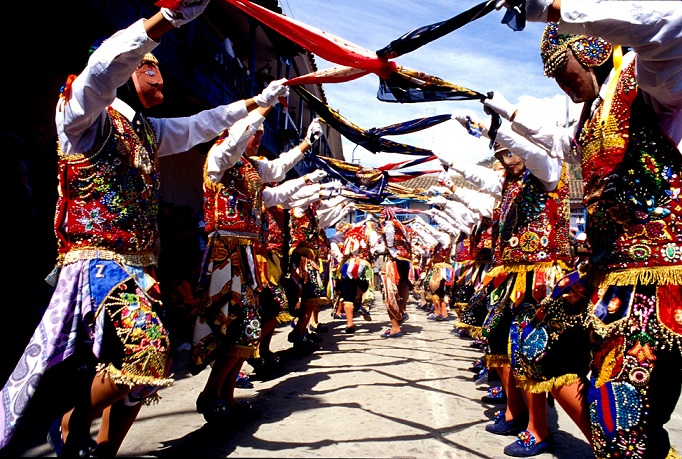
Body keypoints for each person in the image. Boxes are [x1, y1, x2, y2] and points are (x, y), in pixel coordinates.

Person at [0, 1, 298, 455]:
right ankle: (68, 422)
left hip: (141, 268)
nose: (158, 76)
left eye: (157, 68)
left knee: (143, 376)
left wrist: (256, 103)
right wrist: (166, 19)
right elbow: (102, 69)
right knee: (148, 355)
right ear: (129, 69)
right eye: (148, 66)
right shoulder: (82, 114)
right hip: (96, 266)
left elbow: (201, 124)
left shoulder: (144, 130)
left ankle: (103, 448)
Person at [486, 2, 682, 457]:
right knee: (532, 344)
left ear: (592, 50)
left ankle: (623, 444)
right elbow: (560, 159)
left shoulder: (649, 81)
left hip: (661, 271)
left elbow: (668, 22)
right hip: (603, 269)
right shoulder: (586, 120)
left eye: (565, 70)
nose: (561, 83)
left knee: (625, 419)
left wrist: (557, 8)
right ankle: (618, 443)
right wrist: (504, 113)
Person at [190, 103, 324, 424]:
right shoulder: (219, 160)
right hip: (224, 255)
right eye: (254, 133)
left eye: (261, 133)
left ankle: (222, 395)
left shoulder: (252, 171)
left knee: (246, 329)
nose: (258, 139)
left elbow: (278, 183)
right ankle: (215, 394)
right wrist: (262, 108)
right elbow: (236, 142)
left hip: (245, 257)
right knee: (230, 328)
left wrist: (306, 152)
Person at [378, 207, 414, 338]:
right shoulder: (405, 228)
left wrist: (392, 250)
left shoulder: (389, 225)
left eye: (381, 217)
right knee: (402, 288)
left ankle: (395, 327)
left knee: (390, 294)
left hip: (394, 261)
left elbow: (390, 239)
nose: (380, 220)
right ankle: (402, 312)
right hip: (405, 261)